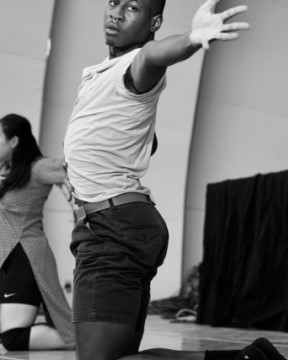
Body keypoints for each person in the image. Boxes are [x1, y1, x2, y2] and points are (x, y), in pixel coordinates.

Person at [63, 0, 287, 359]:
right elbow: (144, 143)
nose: (117, 12)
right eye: (114, 2)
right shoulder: (97, 74)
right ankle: (247, 359)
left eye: (132, 7)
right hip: (116, 224)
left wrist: (193, 39)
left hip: (113, 227)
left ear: (155, 21)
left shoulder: (134, 65)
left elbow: (152, 56)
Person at [0, 113, 75, 351]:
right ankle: (78, 337)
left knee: (12, 338)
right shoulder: (0, 166)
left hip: (28, 254)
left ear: (13, 141)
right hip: (9, 257)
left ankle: (79, 340)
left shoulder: (38, 167)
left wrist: (68, 186)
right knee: (7, 334)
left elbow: (69, 169)